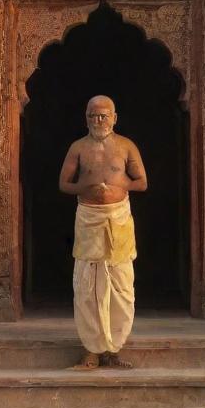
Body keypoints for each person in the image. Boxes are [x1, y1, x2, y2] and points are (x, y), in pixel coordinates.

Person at [58, 94, 147, 370]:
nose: (98, 120)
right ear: (86, 118)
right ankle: (91, 351)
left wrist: (123, 183)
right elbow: (64, 184)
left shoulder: (126, 146)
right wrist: (84, 187)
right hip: (89, 218)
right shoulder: (78, 148)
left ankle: (113, 349)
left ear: (114, 117)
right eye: (93, 116)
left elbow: (142, 182)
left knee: (121, 286)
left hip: (119, 218)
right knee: (87, 286)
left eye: (104, 115)